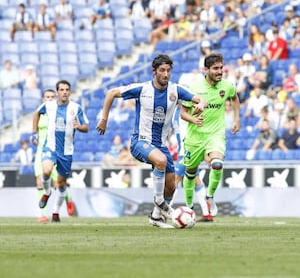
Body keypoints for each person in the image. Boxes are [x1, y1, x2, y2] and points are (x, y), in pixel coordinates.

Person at [96, 54, 207, 228]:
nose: (166, 74)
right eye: (162, 70)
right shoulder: (142, 89)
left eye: (169, 70)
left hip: (161, 145)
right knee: (161, 161)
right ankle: (160, 202)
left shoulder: (176, 90)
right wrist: (104, 119)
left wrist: (201, 104)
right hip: (140, 142)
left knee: (171, 186)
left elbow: (200, 99)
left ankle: (156, 217)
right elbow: (111, 93)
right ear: (154, 71)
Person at [181, 52, 241, 218]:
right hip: (195, 137)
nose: (220, 71)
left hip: (216, 134)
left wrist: (236, 118)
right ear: (206, 69)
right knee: (190, 172)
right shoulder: (194, 87)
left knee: (217, 164)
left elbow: (235, 98)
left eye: (221, 68)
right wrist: (194, 119)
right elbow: (183, 113)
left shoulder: (227, 86)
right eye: (215, 68)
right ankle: (189, 206)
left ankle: (210, 196)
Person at [32, 80, 89, 223]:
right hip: (50, 147)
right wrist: (34, 133)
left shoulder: (76, 108)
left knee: (61, 183)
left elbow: (86, 127)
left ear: (70, 92)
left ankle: (55, 213)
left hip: (66, 152)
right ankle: (46, 192)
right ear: (57, 92)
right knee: (45, 171)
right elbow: (36, 114)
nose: (64, 92)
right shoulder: (49, 106)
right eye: (61, 89)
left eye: (67, 89)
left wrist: (79, 126)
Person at [171, 105, 212, 222]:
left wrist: (205, 152)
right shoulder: (174, 111)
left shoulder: (190, 110)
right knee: (196, 180)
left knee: (174, 181)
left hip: (188, 151)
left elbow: (200, 129)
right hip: (182, 151)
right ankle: (206, 213)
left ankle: (164, 211)